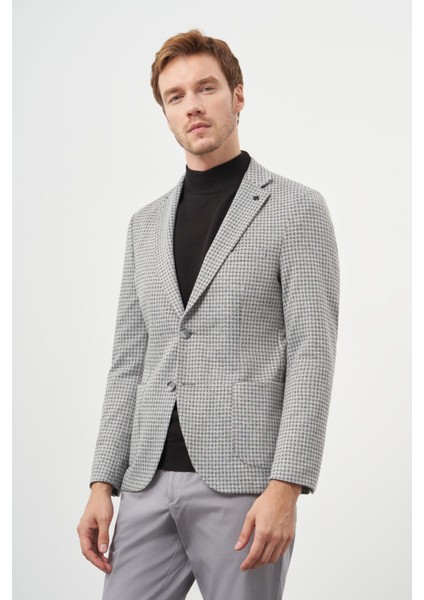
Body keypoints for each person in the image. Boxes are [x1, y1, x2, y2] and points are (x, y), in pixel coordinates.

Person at [77, 29, 340, 600]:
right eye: (175, 96)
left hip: (245, 486)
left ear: (237, 96)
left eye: (206, 88)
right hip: (146, 481)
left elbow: (312, 354)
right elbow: (128, 363)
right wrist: (102, 481)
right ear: (166, 114)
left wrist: (287, 486)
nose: (192, 105)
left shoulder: (297, 209)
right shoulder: (145, 226)